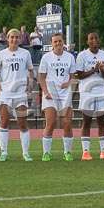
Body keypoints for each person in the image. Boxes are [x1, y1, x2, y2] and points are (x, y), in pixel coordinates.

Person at [0, 29, 35, 161]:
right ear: (7, 38)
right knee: (4, 122)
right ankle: (4, 152)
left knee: (22, 123)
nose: (14, 39)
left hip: (20, 94)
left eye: (17, 37)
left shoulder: (25, 53)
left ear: (20, 39)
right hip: (5, 93)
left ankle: (25, 153)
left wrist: (30, 85)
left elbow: (30, 70)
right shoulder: (1, 54)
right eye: (12, 37)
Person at [75, 32, 104, 160]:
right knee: (86, 121)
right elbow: (79, 75)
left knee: (102, 122)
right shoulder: (82, 55)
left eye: (96, 38)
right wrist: (94, 68)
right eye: (91, 38)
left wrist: (102, 70)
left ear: (99, 40)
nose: (94, 40)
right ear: (87, 41)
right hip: (87, 93)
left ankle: (103, 150)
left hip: (101, 92)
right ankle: (85, 151)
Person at [38, 32, 77, 161]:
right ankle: (46, 153)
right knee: (51, 122)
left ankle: (67, 152)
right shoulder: (46, 58)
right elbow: (41, 77)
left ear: (63, 42)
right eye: (55, 42)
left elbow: (73, 77)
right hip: (50, 94)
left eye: (60, 41)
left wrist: (69, 83)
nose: (58, 44)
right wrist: (45, 92)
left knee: (67, 123)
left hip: (65, 94)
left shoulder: (70, 57)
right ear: (52, 44)